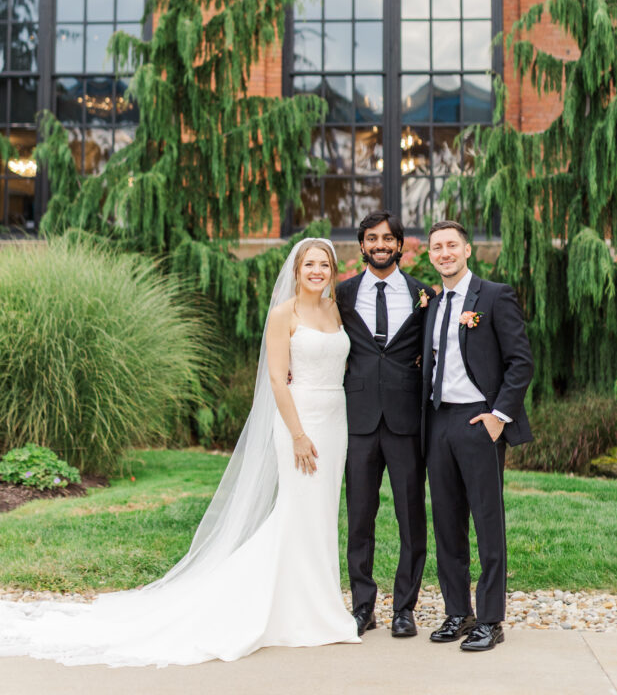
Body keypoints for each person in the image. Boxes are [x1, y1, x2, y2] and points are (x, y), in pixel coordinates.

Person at [0, 238, 359, 667]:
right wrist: (298, 434)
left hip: (334, 420)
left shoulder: (335, 311)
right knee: (297, 511)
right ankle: (296, 611)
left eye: (324, 265)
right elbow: (277, 381)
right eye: (310, 264)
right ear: (297, 270)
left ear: (332, 271)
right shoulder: (284, 314)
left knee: (322, 513)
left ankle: (317, 604)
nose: (317, 271)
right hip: (300, 422)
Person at [421, 220, 533, 652]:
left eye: (452, 245)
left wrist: (498, 416)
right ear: (430, 255)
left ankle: (489, 619)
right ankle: (458, 612)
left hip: (479, 420)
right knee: (446, 522)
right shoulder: (432, 303)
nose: (445, 253)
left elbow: (520, 362)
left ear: (467, 250)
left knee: (487, 521)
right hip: (439, 421)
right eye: (437, 247)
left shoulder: (494, 296)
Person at [336, 211, 435, 639]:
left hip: (405, 419)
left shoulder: (423, 294)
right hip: (357, 420)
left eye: (388, 238)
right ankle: (363, 606)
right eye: (372, 238)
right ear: (362, 245)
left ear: (399, 245)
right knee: (360, 517)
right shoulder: (342, 295)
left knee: (411, 517)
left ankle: (404, 609)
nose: (380, 245)